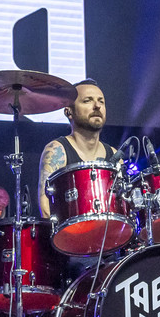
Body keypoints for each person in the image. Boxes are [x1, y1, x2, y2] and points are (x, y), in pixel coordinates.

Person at [37, 79, 118, 219]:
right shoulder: (56, 151)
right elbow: (46, 208)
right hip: (70, 232)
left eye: (101, 101)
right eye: (87, 101)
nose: (97, 106)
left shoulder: (115, 155)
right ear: (69, 112)